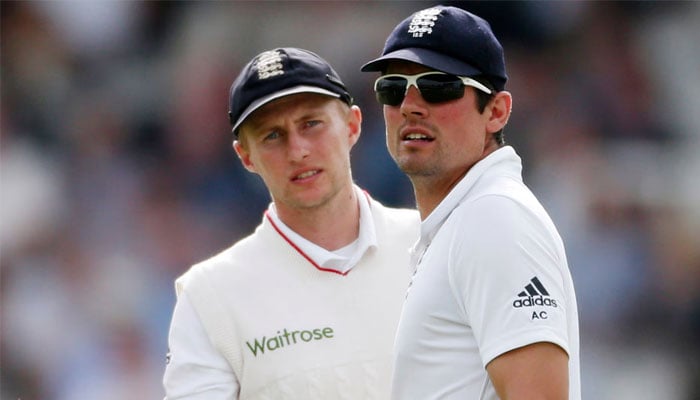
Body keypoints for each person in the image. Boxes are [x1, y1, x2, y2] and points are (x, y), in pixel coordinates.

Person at [163, 47, 420, 399]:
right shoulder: (209, 296)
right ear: (246, 156)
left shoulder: (436, 243)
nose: (297, 150)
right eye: (272, 135)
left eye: (311, 124)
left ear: (352, 125)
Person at [361, 5, 581, 399]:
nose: (410, 105)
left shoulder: (494, 217)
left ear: (496, 112)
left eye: (438, 86)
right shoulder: (464, 221)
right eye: (392, 88)